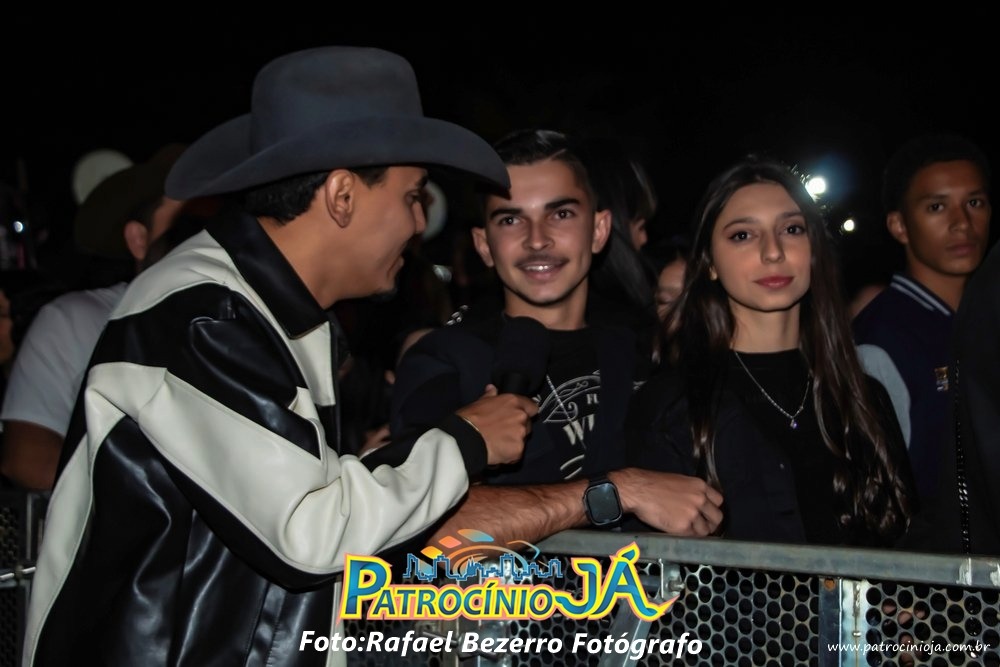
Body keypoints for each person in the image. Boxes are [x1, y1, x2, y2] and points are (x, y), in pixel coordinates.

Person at [22, 46, 536, 667]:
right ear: (342, 195)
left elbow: (290, 500)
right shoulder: (207, 315)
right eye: (413, 195)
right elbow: (309, 531)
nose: (419, 222)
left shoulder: (270, 311)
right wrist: (465, 440)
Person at [390, 129, 723, 551]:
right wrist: (619, 491)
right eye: (510, 220)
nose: (537, 239)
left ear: (599, 230)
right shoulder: (443, 360)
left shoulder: (648, 353)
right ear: (484, 245)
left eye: (561, 214)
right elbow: (419, 525)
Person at [628, 156, 914, 547]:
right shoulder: (671, 406)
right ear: (709, 263)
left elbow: (908, 548)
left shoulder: (864, 399)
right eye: (743, 235)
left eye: (792, 229)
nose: (773, 251)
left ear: (813, 250)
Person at [0, 145, 199, 491]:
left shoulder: (249, 326)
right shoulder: (77, 322)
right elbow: (27, 459)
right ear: (138, 238)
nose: (202, 240)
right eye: (185, 223)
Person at [852, 133, 991, 508]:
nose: (962, 222)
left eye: (974, 202)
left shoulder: (985, 319)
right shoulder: (880, 341)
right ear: (899, 225)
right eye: (937, 207)